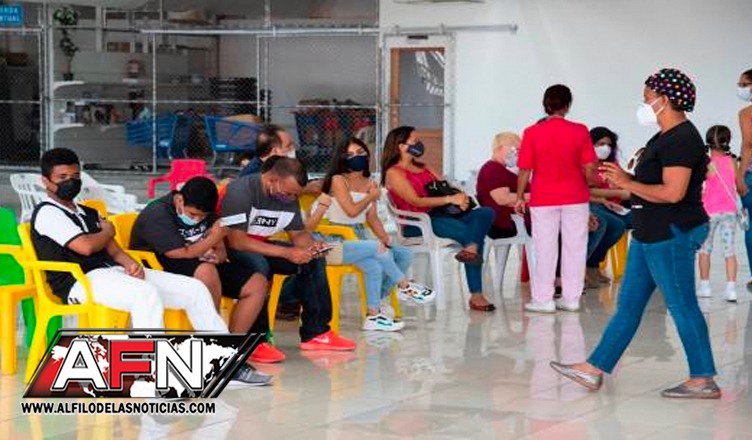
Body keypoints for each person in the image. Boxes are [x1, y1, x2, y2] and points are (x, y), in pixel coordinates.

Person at [550, 68, 720, 399]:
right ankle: (593, 369)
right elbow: (645, 187)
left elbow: (673, 193)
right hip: (649, 232)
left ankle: (703, 378)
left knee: (682, 305)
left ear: (664, 100)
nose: (643, 105)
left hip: (670, 232)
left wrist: (628, 182)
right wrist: (621, 181)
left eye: (647, 99)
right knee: (628, 305)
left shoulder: (681, 139)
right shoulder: (663, 137)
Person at [31, 148, 268, 385]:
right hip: (78, 281)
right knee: (145, 294)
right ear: (46, 181)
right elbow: (85, 247)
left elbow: (113, 249)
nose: (71, 182)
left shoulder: (87, 212)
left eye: (75, 176)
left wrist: (130, 263)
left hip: (112, 272)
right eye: (62, 177)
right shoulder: (47, 213)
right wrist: (107, 230)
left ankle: (225, 364)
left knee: (195, 289)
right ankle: (151, 377)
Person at [130, 176, 285, 363]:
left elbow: (220, 251)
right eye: (192, 214)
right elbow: (179, 253)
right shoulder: (158, 213)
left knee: (257, 283)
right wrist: (213, 239)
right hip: (159, 264)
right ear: (179, 199)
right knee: (207, 272)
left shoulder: (208, 212)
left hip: (197, 261)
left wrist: (216, 254)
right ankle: (213, 340)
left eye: (202, 216)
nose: (197, 219)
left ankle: (232, 346)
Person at [220, 156, 356, 351]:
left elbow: (297, 234)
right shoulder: (241, 191)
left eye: (295, 195)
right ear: (272, 180)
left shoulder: (286, 194)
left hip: (261, 245)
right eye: (289, 194)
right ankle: (258, 340)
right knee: (259, 266)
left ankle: (317, 333)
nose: (292, 199)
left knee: (312, 261)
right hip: (227, 249)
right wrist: (287, 252)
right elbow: (237, 241)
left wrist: (311, 246)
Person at [306, 137, 434, 332]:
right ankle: (405, 285)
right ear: (342, 158)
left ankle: (375, 310)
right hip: (331, 236)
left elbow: (372, 217)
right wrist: (371, 196)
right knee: (378, 254)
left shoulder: (370, 182)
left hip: (357, 234)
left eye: (360, 153)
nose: (356, 157)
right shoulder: (338, 179)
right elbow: (351, 211)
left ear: (367, 155)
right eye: (350, 154)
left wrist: (384, 237)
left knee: (404, 254)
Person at [382, 126, 496, 312]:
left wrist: (461, 199)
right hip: (418, 222)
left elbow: (447, 188)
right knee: (472, 235)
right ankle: (476, 294)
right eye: (414, 140)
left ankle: (471, 248)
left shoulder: (424, 167)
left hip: (443, 214)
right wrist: (450, 199)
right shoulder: (394, 173)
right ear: (401, 146)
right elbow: (415, 201)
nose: (419, 144)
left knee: (486, 212)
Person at [515, 84, 598, 313]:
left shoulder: (532, 132)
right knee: (575, 248)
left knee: (544, 248)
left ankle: (543, 299)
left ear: (545, 105)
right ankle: (571, 298)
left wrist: (520, 196)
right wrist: (588, 183)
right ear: (568, 105)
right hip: (575, 196)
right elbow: (590, 166)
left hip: (543, 197)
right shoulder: (580, 130)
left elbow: (525, 169)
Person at [698, 125, 739, 303]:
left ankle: (705, 286)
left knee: (705, 249)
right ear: (727, 141)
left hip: (709, 211)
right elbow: (738, 183)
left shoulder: (706, 163)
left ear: (708, 142)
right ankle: (731, 289)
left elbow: (700, 183)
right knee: (729, 250)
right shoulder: (732, 161)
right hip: (729, 211)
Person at [586, 127, 631, 287]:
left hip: (616, 206)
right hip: (594, 203)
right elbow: (585, 190)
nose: (605, 148)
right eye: (600, 144)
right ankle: (589, 265)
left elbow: (625, 181)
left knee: (642, 219)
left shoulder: (611, 164)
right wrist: (616, 193)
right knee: (610, 224)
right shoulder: (586, 164)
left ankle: (594, 265)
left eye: (609, 145)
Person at [476, 132, 531, 238]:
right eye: (515, 150)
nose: (517, 154)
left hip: (517, 218)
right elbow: (503, 199)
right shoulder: (493, 170)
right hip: (505, 224)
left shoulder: (499, 169)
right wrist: (537, 196)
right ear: (499, 149)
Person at [735, 68, 752, 291]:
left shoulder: (746, 113)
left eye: (744, 84)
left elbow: (748, 144)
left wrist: (739, 175)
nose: (740, 89)